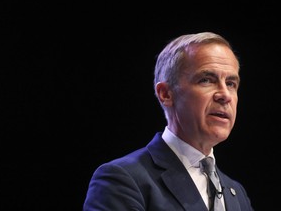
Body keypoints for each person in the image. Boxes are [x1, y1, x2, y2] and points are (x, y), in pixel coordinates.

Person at [83, 32, 254, 211]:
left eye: (231, 83)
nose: (225, 95)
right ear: (166, 94)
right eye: (206, 80)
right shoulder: (123, 180)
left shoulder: (237, 194)